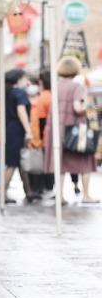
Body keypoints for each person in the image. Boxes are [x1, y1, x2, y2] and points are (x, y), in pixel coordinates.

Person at [43, 56, 99, 205]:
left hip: (57, 129)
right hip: (74, 130)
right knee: (84, 161)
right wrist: (93, 107)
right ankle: (86, 195)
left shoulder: (56, 86)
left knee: (59, 163)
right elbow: (77, 108)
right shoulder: (76, 86)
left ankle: (60, 195)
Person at [1, 69, 40, 204]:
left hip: (10, 129)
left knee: (19, 162)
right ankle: (2, 194)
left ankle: (28, 191)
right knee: (13, 163)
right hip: (17, 130)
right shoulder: (19, 93)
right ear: (19, 79)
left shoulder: (8, 92)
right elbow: (21, 111)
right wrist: (28, 131)